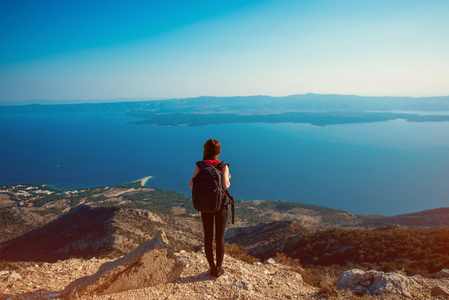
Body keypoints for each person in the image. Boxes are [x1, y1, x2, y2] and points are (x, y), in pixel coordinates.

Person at [189, 139, 231, 278]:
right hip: (221, 206)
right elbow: (225, 186)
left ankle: (211, 267)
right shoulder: (223, 166)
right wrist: (228, 178)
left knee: (208, 237)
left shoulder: (200, 166)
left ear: (205, 150)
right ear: (218, 152)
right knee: (219, 237)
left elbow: (191, 185)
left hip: (205, 206)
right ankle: (218, 269)